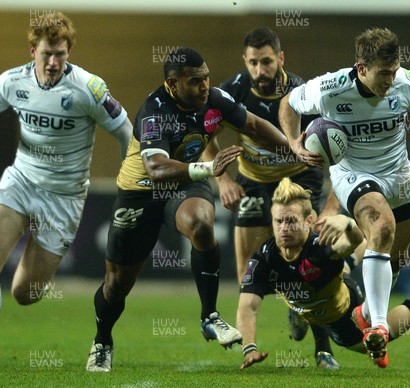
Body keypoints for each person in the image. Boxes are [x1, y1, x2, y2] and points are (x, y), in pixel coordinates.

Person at [85, 47, 289, 372]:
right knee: (116, 284)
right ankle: (102, 341)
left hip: (184, 186)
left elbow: (253, 125)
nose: (205, 85)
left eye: (206, 77)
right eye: (195, 81)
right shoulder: (154, 110)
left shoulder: (214, 100)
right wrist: (208, 170)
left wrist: (291, 147)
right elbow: (156, 169)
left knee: (202, 224)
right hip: (141, 194)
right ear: (173, 84)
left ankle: (210, 316)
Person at [278, 27, 410, 365]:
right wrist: (294, 143)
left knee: (397, 258)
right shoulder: (329, 89)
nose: (390, 79)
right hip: (354, 175)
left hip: (399, 176)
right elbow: (288, 104)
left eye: (393, 71)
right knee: (381, 227)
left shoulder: (405, 82)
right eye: (384, 73)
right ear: (362, 68)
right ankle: (378, 326)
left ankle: (367, 312)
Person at [207, 26, 338, 369]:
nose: (260, 71)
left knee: (312, 263)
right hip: (253, 182)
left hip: (298, 178)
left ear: (280, 58)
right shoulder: (232, 92)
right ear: (245, 61)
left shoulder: (303, 94)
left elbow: (328, 139)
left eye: (266, 62)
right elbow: (205, 134)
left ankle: (324, 349)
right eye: (253, 63)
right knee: (247, 271)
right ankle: (281, 319)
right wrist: (222, 181)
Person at [236, 178, 410, 369]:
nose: (284, 227)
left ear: (309, 221)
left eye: (291, 220)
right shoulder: (264, 256)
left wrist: (348, 223)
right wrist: (249, 349)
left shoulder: (321, 247)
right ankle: (302, 314)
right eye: (279, 221)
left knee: (370, 339)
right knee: (316, 278)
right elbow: (248, 306)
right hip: (318, 291)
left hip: (343, 314)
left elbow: (352, 240)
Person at [0, 12, 132, 309]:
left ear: (68, 52)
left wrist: (130, 186)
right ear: (33, 51)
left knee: (24, 293)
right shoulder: (11, 82)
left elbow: (126, 132)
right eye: (47, 54)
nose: (53, 63)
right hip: (20, 182)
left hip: (64, 196)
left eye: (60, 54)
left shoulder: (89, 89)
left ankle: (43, 268)